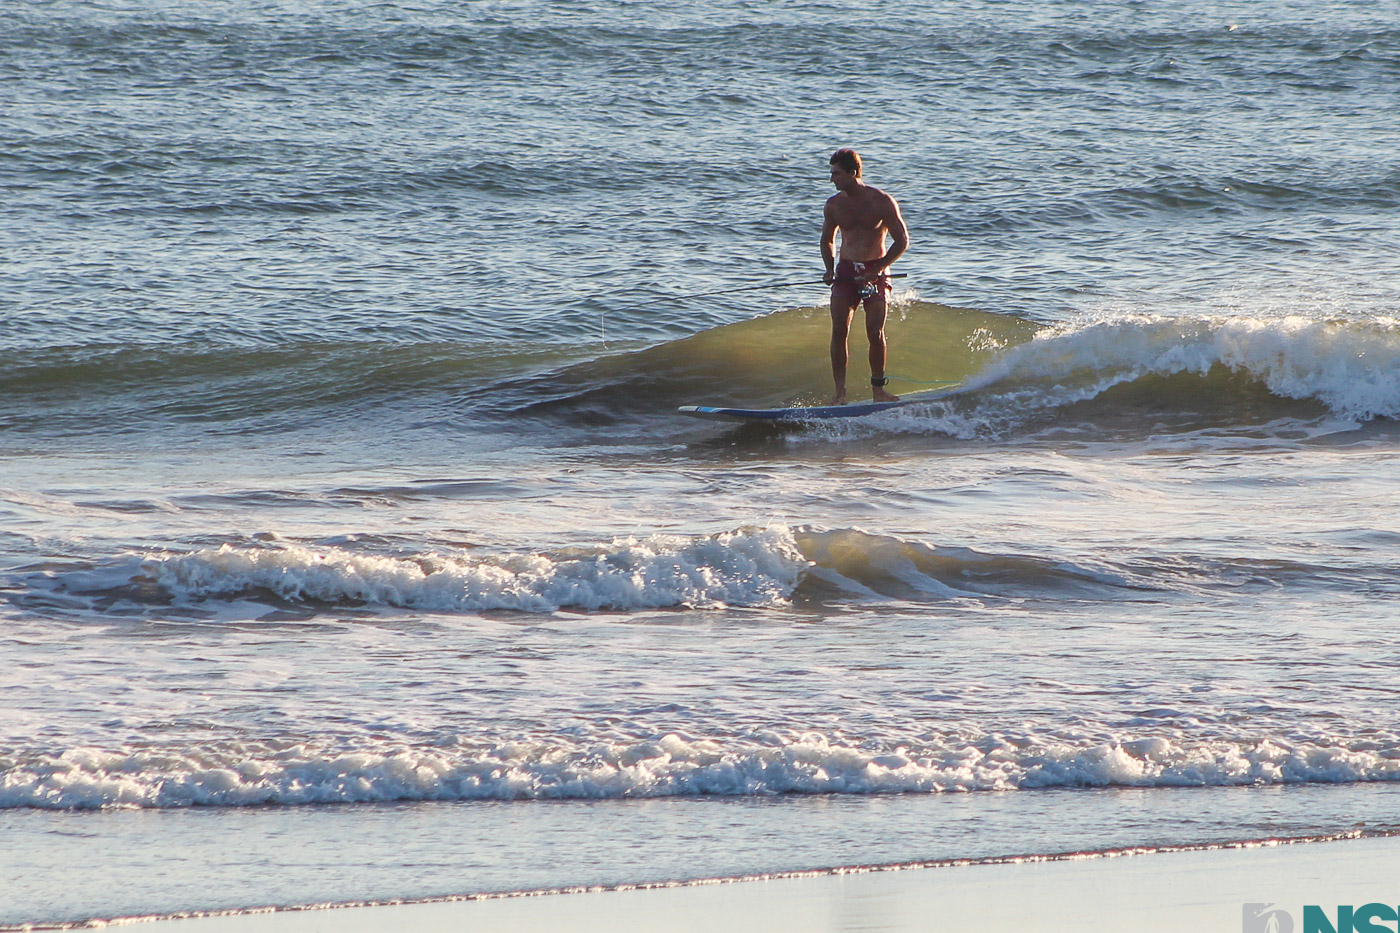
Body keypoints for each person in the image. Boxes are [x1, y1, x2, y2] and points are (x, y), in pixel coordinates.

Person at [820, 148, 909, 405]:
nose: (832, 179)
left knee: (875, 331)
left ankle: (878, 391)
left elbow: (902, 241)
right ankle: (840, 393)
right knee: (839, 329)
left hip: (877, 272)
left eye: (836, 174)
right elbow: (827, 240)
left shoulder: (881, 201)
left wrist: (877, 268)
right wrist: (829, 268)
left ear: (852, 172)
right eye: (831, 173)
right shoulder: (834, 205)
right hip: (846, 271)